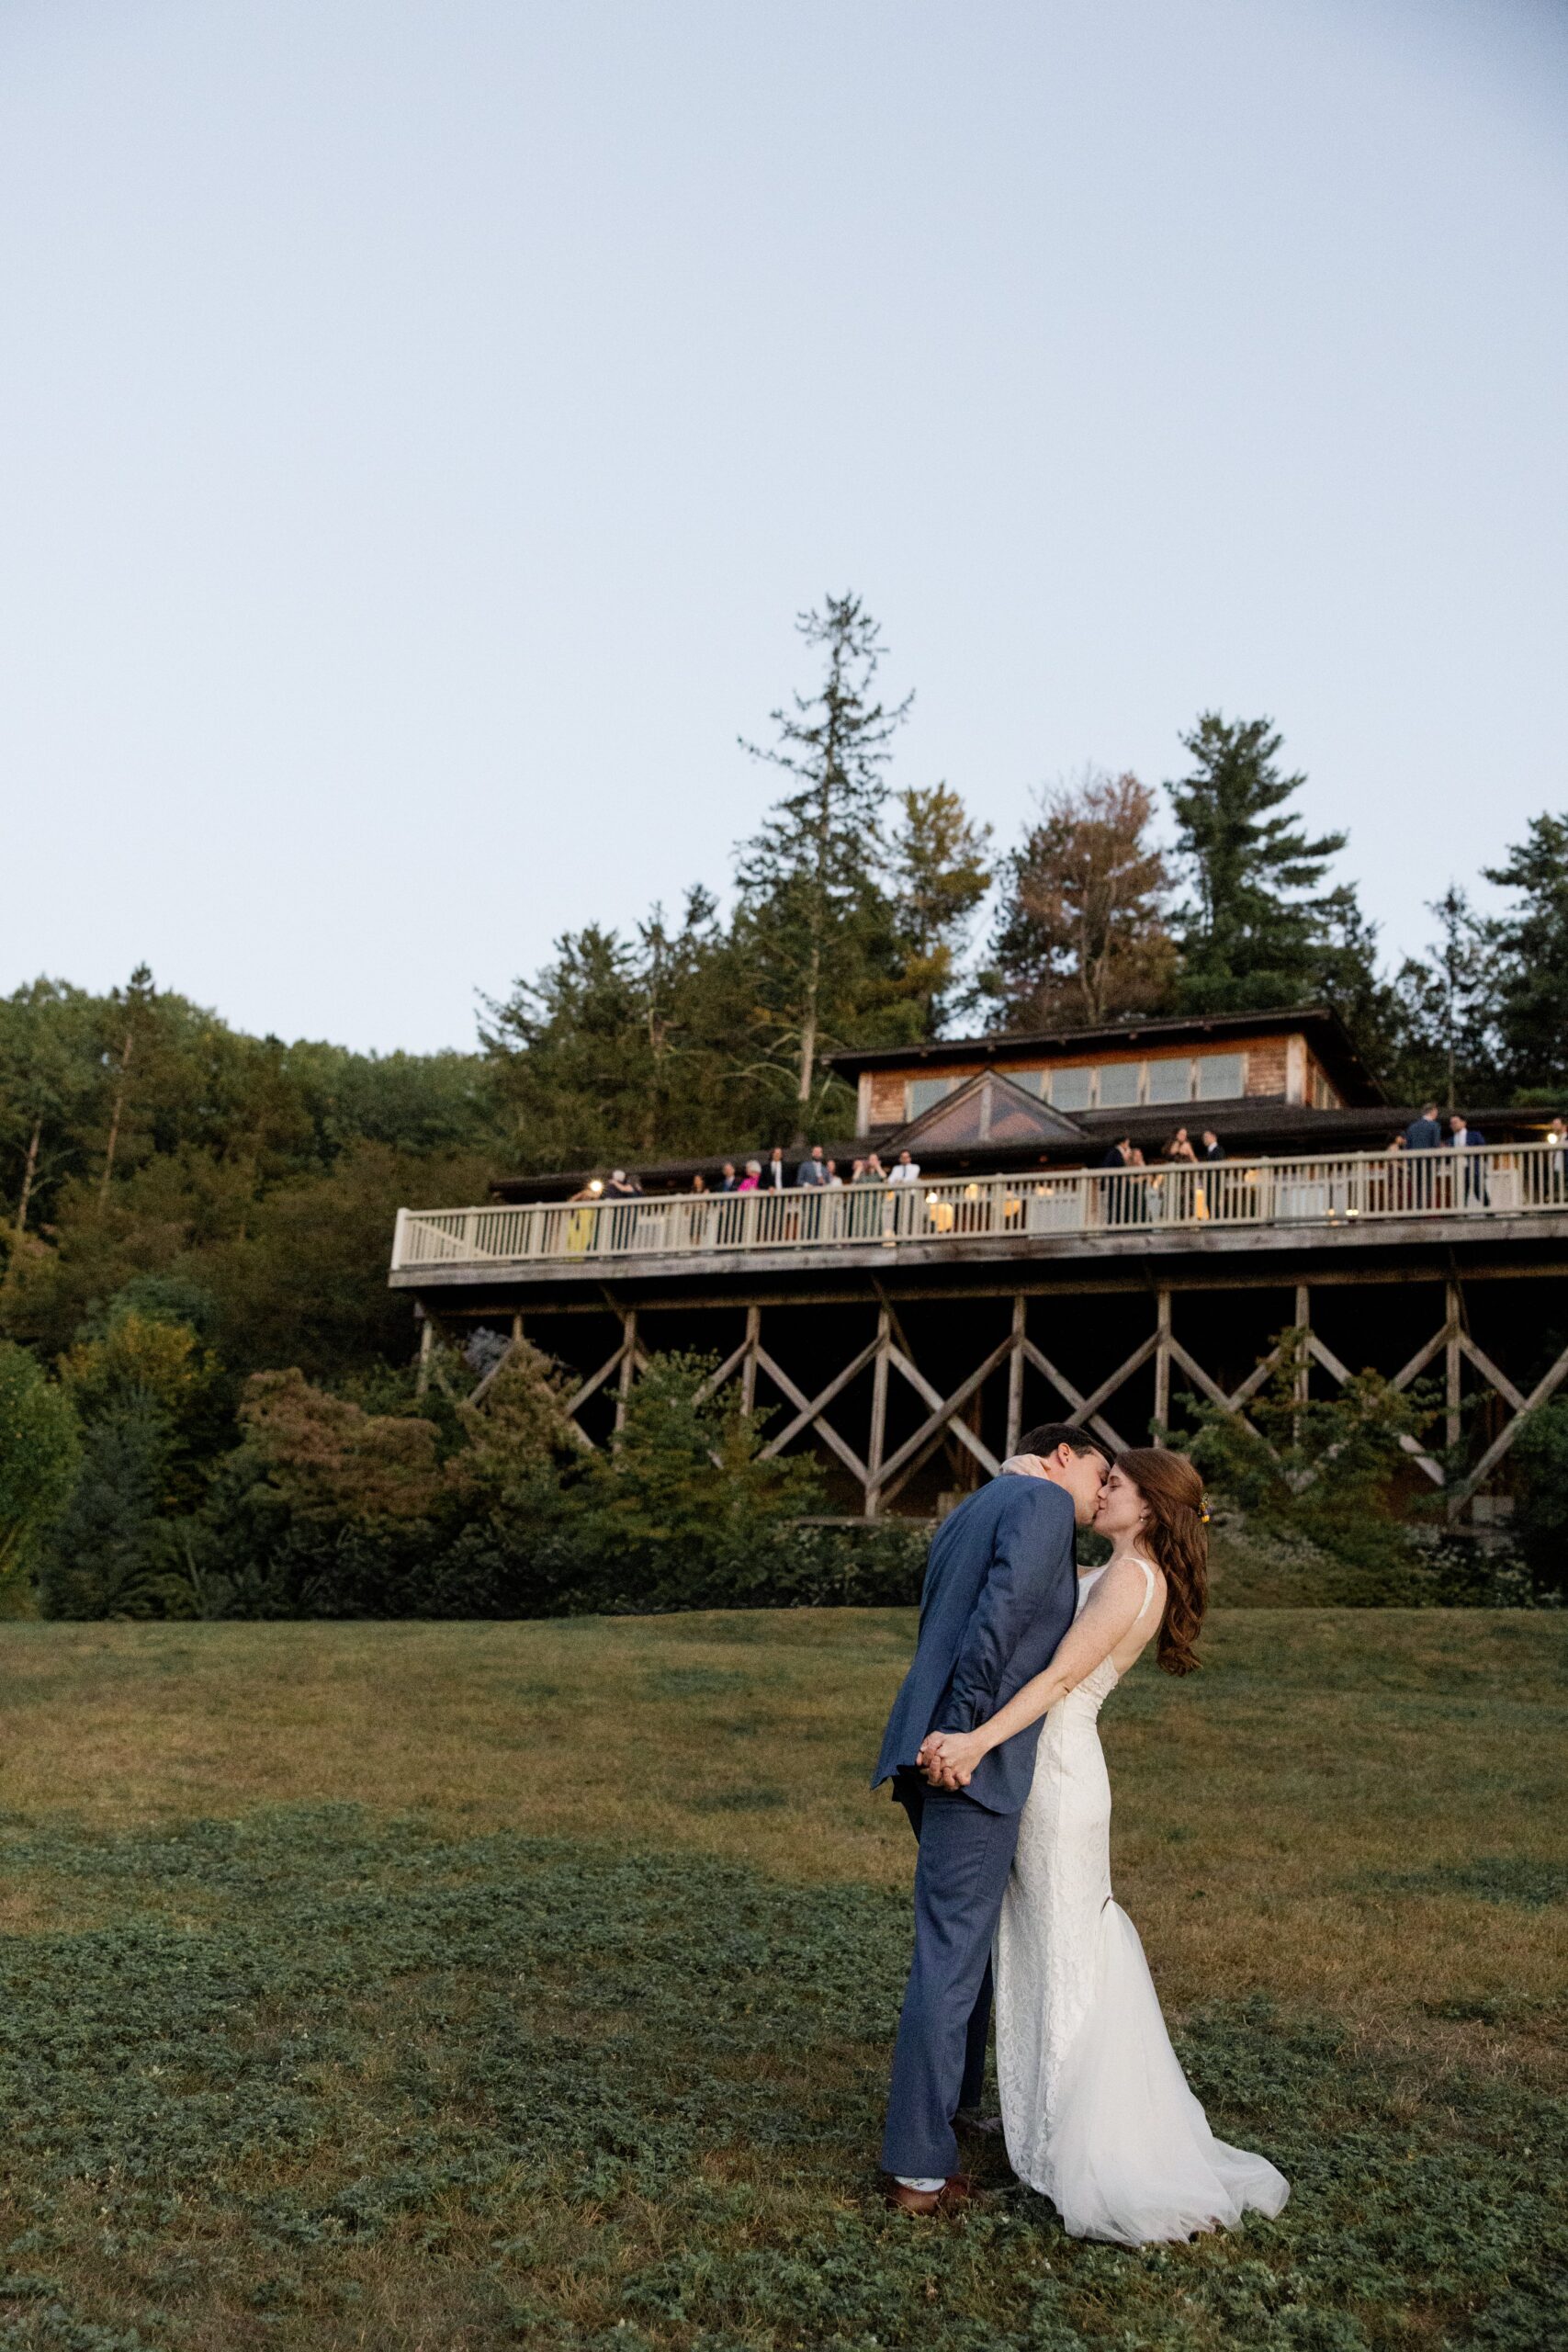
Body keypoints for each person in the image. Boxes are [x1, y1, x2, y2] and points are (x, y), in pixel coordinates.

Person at [917, 1448, 1290, 2246]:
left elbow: (1054, 1682)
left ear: (1149, 1508)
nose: (1102, 1492)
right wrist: (1023, 1474)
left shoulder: (1130, 1580)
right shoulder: (1112, 1566)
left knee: (1061, 1943)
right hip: (1043, 1763)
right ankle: (1042, 2116)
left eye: (1114, 1485)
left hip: (1055, 1773)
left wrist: (976, 1741)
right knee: (1039, 1941)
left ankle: (1071, 2134)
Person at [872, 1427, 1110, 2214]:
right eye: (1098, 1475)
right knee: (949, 1952)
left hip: (926, 1743)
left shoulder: (974, 1506)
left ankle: (956, 2106)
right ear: (1062, 1455)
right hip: (963, 1757)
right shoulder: (1042, 1500)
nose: (1100, 1494)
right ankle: (916, 2169)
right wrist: (966, 1734)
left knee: (964, 1941)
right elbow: (999, 1617)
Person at [1450, 1112, 1488, 1204]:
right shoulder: (1450, 1140)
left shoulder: (1474, 1135)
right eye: (1451, 1123)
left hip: (1474, 1169)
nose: (1453, 1125)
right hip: (1459, 1170)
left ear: (1463, 1123)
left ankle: (1490, 1214)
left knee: (1480, 1192)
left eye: (1455, 1122)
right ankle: (1462, 1216)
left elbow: (1483, 1148)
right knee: (1461, 1195)